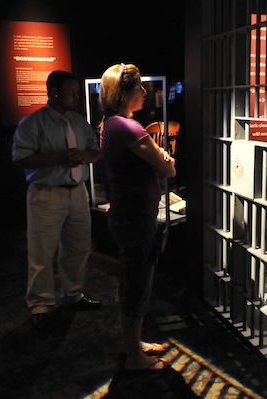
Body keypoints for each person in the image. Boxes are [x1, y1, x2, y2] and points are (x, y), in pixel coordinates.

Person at [98, 63, 176, 373]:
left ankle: (134, 343)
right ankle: (134, 357)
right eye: (139, 87)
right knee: (137, 285)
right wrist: (166, 161)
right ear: (124, 92)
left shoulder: (111, 124)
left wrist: (160, 159)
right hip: (135, 219)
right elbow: (168, 169)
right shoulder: (129, 128)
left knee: (132, 281)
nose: (145, 92)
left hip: (125, 216)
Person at [12, 70, 102, 332]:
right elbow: (20, 158)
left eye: (76, 91)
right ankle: (40, 305)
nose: (77, 95)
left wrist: (85, 155)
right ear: (54, 92)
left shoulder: (78, 121)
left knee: (78, 247)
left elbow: (95, 151)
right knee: (42, 252)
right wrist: (58, 158)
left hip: (77, 192)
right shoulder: (32, 123)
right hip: (46, 194)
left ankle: (73, 295)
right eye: (72, 91)